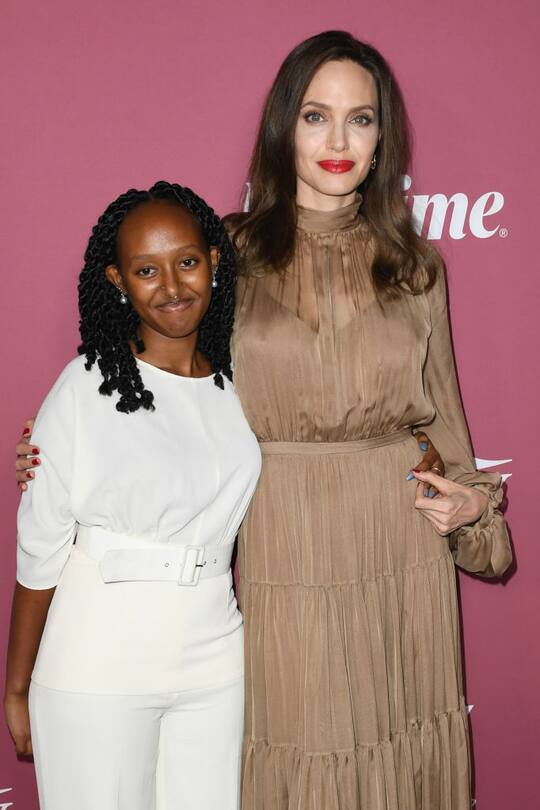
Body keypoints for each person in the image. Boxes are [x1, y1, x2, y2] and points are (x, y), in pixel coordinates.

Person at [13, 30, 512, 810]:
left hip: (398, 547)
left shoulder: (417, 265)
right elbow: (153, 369)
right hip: (284, 545)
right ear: (285, 129)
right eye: (316, 116)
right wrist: (56, 445)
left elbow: (448, 422)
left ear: (384, 140)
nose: (339, 140)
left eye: (361, 118)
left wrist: (475, 503)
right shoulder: (228, 254)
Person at [5, 181, 261, 810]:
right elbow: (41, 547)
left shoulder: (245, 379)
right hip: (98, 657)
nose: (172, 287)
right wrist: (16, 686)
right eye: (147, 270)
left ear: (214, 260)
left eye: (187, 262)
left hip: (218, 659)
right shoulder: (86, 385)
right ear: (118, 279)